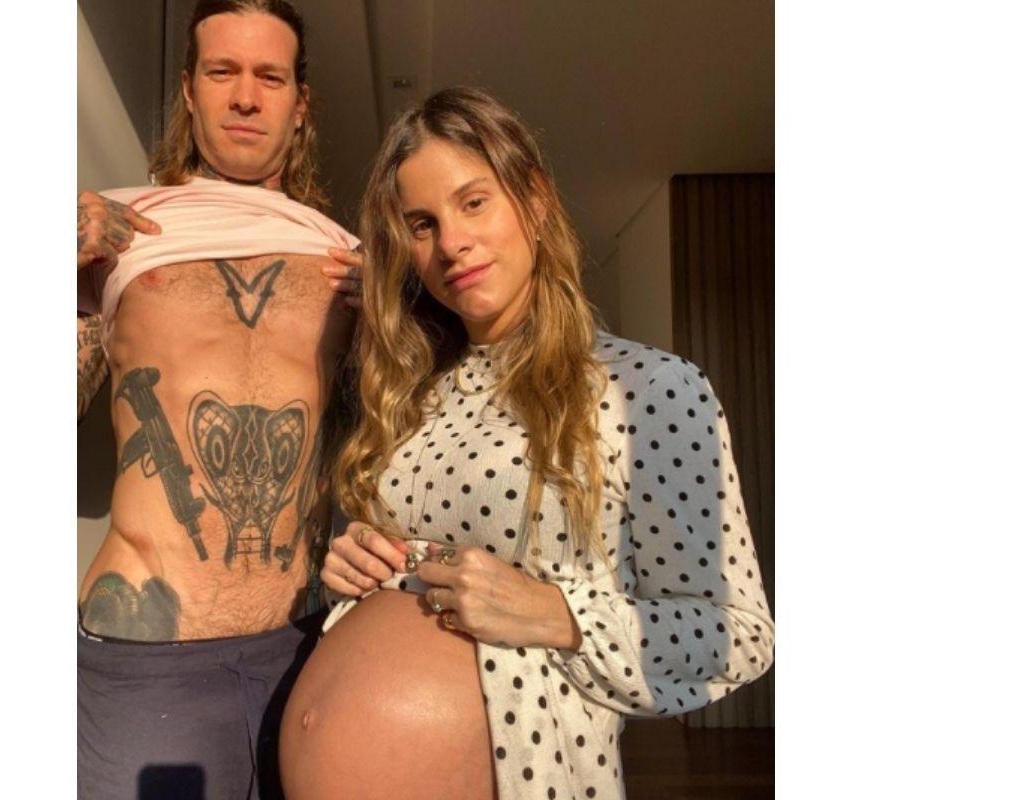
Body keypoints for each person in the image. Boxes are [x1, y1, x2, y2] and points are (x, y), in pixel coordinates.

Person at [278, 87, 775, 800]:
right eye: (423, 224)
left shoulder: (648, 389)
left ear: (535, 202)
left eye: (474, 202)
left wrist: (554, 612)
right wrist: (352, 562)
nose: (451, 243)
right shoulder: (411, 397)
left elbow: (737, 635)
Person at [75, 2, 364, 798]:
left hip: (308, 650)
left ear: (300, 103)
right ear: (188, 90)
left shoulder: (345, 256)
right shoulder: (120, 231)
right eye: (222, 72)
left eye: (269, 77)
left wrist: (398, 313)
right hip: (147, 662)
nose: (244, 96)